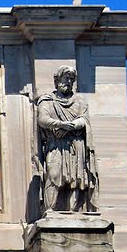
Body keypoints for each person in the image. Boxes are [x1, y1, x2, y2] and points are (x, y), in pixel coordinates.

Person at [36, 65, 98, 214]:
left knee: (76, 179)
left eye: (71, 79)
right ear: (57, 80)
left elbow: (84, 120)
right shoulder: (47, 101)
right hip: (55, 144)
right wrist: (60, 124)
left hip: (76, 144)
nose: (69, 81)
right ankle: (50, 210)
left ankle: (73, 212)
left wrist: (70, 126)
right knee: (53, 175)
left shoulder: (79, 101)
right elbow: (42, 119)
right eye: (66, 78)